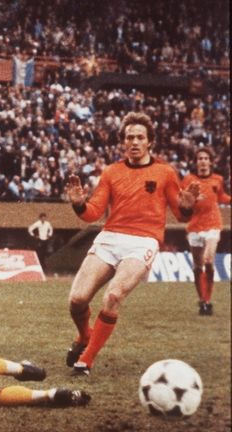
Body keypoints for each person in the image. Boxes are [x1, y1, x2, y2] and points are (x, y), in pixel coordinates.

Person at [64, 112, 198, 376]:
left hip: (143, 241)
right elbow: (93, 213)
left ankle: (86, 359)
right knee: (77, 300)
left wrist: (187, 208)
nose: (134, 142)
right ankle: (83, 337)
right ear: (122, 142)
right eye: (129, 137)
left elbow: (181, 214)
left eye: (140, 137)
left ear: (150, 142)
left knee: (113, 296)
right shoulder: (112, 172)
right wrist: (79, 203)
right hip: (110, 237)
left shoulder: (165, 173)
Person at [181, 148, 231, 315]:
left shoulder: (217, 179)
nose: (202, 161)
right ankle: (203, 301)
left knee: (208, 260)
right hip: (194, 226)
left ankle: (207, 299)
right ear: (196, 162)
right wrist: (191, 199)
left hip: (213, 224)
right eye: (200, 158)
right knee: (197, 267)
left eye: (205, 158)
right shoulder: (188, 180)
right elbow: (182, 201)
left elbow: (222, 197)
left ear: (210, 161)